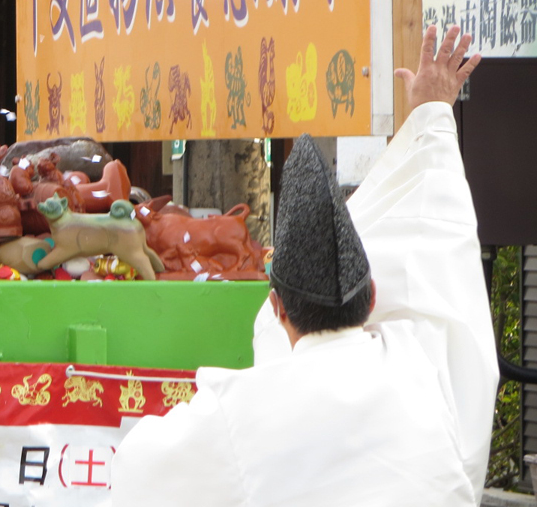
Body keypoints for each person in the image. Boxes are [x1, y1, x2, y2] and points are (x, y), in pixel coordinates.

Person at [111, 25, 500, 506]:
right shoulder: (426, 366)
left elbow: (135, 470)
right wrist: (433, 116)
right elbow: (440, 243)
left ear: (276, 308)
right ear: (373, 296)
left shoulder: (236, 418)